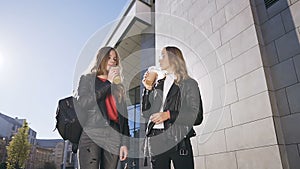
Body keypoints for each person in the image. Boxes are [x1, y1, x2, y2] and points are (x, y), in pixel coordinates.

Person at [142, 46, 203, 169]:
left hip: (178, 139)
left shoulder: (189, 83)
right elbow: (146, 113)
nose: (159, 60)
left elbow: (197, 116)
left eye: (163, 56)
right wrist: (147, 89)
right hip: (156, 139)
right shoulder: (159, 84)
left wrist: (168, 115)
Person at [76, 46, 130, 169]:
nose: (112, 61)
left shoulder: (118, 86)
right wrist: (107, 83)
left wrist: (125, 144)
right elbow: (83, 103)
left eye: (115, 59)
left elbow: (124, 117)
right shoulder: (88, 79)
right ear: (101, 59)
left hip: (114, 134)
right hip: (93, 131)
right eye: (108, 57)